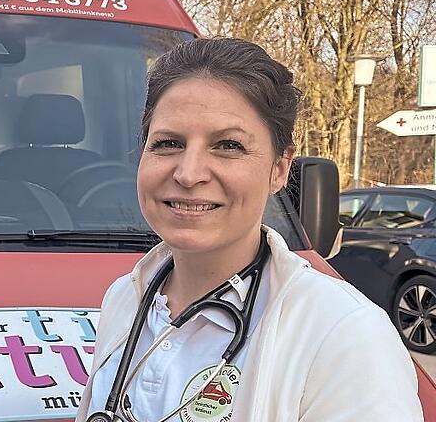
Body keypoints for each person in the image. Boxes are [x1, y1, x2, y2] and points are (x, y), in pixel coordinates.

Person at [77, 38, 423, 422]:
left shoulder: (344, 334)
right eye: (168, 143)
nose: (189, 174)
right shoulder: (125, 298)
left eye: (228, 146)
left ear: (279, 168)